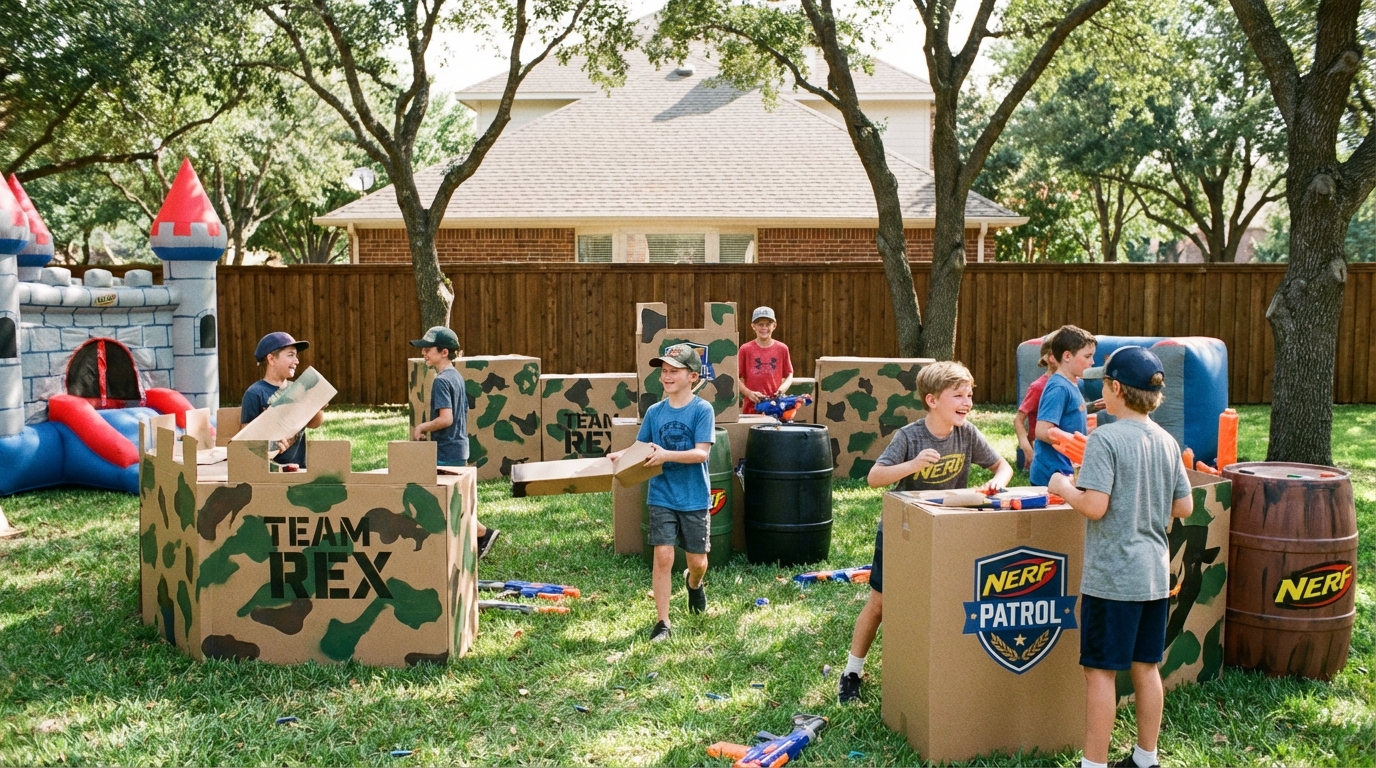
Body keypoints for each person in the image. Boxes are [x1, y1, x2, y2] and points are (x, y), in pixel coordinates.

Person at [1048, 346, 1193, 768]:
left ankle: (1093, 764)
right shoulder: (1166, 441)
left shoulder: (1105, 439)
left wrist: (1061, 486)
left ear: (1114, 389)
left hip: (1111, 578)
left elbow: (1094, 506)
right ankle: (1146, 759)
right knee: (1146, 668)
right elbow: (1183, 508)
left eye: (1103, 386)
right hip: (1153, 576)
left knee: (1100, 673)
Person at [838, 361, 1013, 703]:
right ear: (932, 400)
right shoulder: (910, 436)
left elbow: (1002, 465)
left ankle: (942, 671)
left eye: (970, 395)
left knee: (947, 602)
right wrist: (913, 464)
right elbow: (875, 477)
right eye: (958, 395)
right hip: (901, 533)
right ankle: (852, 672)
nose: (967, 402)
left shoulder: (968, 434)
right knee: (881, 603)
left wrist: (998, 481)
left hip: (947, 532)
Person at [608, 344, 716, 642]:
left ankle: (694, 585)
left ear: (692, 376)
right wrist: (619, 455)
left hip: (693, 496)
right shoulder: (655, 413)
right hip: (661, 494)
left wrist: (666, 455)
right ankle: (663, 623)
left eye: (674, 371)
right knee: (663, 556)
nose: (666, 377)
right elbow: (641, 448)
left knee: (698, 563)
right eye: (664, 372)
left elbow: (700, 454)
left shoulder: (702, 410)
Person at [409, 326, 500, 559]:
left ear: (445, 352)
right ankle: (478, 535)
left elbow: (446, 419)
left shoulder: (441, 381)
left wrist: (422, 427)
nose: (424, 354)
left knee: (445, 503)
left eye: (428, 350)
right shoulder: (456, 377)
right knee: (453, 501)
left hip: (446, 450)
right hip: (459, 447)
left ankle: (480, 533)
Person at [241, 332, 324, 469]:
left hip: (299, 468)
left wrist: (317, 405)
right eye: (291, 355)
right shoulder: (255, 393)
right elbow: (245, 441)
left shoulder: (298, 389)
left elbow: (314, 424)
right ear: (271, 359)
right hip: (268, 471)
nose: (296, 361)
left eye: (296, 356)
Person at [1029, 325, 1097, 487]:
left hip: (1065, 471)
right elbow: (1042, 430)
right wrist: (1074, 443)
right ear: (1067, 356)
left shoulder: (1071, 383)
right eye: (1087, 356)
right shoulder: (1059, 387)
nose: (1092, 362)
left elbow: (1066, 422)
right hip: (1051, 475)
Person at [737, 306, 794, 414]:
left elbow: (789, 374)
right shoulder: (745, 349)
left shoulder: (782, 348)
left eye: (768, 324)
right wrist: (749, 393)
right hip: (752, 408)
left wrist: (782, 390)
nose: (764, 328)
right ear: (753, 326)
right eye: (760, 324)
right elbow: (735, 378)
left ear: (774, 326)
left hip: (775, 406)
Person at [1014, 340, 1055, 471]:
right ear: (1051, 358)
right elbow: (1018, 419)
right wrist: (1026, 446)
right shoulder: (1038, 387)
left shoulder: (1073, 383)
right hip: (1041, 449)